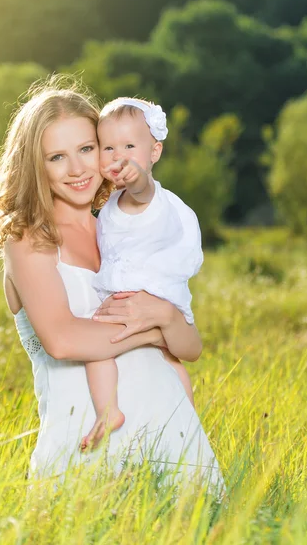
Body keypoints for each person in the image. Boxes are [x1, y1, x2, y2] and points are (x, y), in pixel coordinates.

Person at [0, 76, 223, 490]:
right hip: (85, 445)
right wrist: (152, 330)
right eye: (56, 156)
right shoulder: (28, 240)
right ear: (33, 165)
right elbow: (62, 340)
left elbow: (191, 347)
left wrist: (167, 315)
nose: (77, 169)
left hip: (169, 432)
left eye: (86, 149)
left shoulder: (119, 233)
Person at [82, 97, 202, 450]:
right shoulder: (109, 205)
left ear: (155, 152)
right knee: (110, 352)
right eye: (108, 148)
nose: (119, 157)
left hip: (150, 289)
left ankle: (183, 419)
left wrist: (137, 180)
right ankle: (110, 410)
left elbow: (143, 192)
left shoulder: (145, 195)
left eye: (130, 147)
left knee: (159, 358)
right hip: (128, 293)